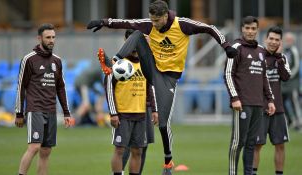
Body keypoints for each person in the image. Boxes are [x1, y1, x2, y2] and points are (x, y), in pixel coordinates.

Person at [87, 1, 238, 173]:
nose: (154, 24)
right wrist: (103, 22)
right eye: (152, 20)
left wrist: (226, 46)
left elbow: (210, 28)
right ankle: (114, 62)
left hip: (168, 78)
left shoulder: (182, 25)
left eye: (157, 21)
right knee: (136, 33)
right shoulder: (149, 25)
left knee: (163, 124)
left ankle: (168, 162)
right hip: (152, 68)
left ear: (166, 16)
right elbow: (126, 22)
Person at [14, 23, 73, 175]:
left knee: (46, 151)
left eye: (53, 37)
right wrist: (19, 113)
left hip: (51, 110)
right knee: (34, 147)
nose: (51, 40)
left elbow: (61, 87)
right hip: (35, 109)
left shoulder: (57, 61)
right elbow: (21, 86)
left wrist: (66, 112)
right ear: (39, 38)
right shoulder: (29, 59)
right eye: (48, 37)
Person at [223, 16, 276, 175]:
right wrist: (235, 98)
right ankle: (233, 173)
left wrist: (270, 100)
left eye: (253, 28)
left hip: (258, 104)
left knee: (252, 143)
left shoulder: (261, 50)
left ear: (257, 30)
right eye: (247, 28)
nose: (250, 31)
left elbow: (264, 77)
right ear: (242, 29)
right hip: (242, 103)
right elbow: (227, 74)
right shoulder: (236, 47)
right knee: (237, 143)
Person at [102, 29, 158, 175]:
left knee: (138, 151)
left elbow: (150, 87)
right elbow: (108, 87)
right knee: (120, 149)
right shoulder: (118, 64)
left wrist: (155, 109)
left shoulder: (146, 63)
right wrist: (113, 113)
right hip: (123, 114)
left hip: (141, 114)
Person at [252, 26, 291, 175]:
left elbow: (286, 77)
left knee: (280, 145)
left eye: (277, 40)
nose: (273, 42)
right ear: (265, 39)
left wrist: (280, 59)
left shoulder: (282, 58)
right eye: (271, 39)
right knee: (257, 145)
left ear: (280, 42)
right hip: (260, 108)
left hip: (278, 109)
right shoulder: (258, 55)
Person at [74, 61, 106, 126]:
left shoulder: (96, 68)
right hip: (83, 84)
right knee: (86, 104)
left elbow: (94, 84)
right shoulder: (101, 70)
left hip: (81, 83)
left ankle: (72, 121)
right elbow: (104, 85)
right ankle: (72, 121)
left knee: (88, 105)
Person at [281, 32, 301, 130]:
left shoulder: (294, 50)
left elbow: (296, 66)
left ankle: (299, 122)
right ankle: (289, 120)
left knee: (294, 101)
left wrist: (289, 75)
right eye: (286, 39)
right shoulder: (284, 51)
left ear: (293, 41)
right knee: (281, 101)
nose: (288, 41)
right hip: (284, 82)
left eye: (290, 40)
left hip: (293, 82)